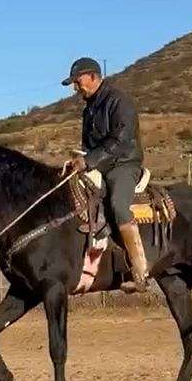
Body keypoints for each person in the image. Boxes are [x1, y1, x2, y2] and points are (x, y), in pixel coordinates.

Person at [62, 57, 148, 290]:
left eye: (77, 81)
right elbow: (90, 145)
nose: (75, 87)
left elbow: (120, 140)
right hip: (99, 164)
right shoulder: (89, 109)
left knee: (118, 206)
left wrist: (89, 160)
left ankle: (139, 272)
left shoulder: (119, 101)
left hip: (123, 164)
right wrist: (79, 160)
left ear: (92, 76)